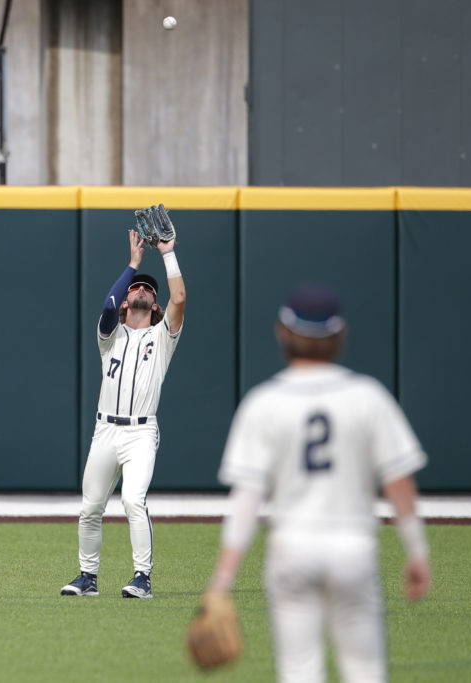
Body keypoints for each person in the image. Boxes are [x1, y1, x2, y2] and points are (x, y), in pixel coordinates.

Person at [203, 284, 432, 682]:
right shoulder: (368, 396)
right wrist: (416, 550)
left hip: (292, 547)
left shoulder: (264, 401)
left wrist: (222, 581)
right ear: (339, 335)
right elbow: (399, 482)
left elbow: (247, 499)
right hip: (352, 547)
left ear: (282, 332)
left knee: (300, 672)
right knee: (364, 671)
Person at [61, 228, 186, 598]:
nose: (143, 289)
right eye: (136, 288)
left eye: (149, 289)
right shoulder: (110, 336)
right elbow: (105, 308)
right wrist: (133, 265)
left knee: (133, 500)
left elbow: (179, 296)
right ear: (125, 301)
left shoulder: (162, 337)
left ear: (155, 305)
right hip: (105, 432)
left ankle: (142, 578)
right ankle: (88, 577)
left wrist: (166, 253)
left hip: (141, 433)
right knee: (90, 508)